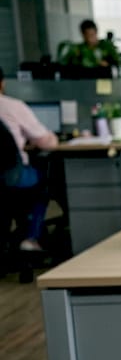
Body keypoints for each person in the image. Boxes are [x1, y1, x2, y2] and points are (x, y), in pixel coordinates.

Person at [0, 67, 58, 252]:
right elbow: (46, 142)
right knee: (44, 183)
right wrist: (55, 138)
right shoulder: (12, 106)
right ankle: (31, 238)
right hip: (12, 176)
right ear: (2, 83)